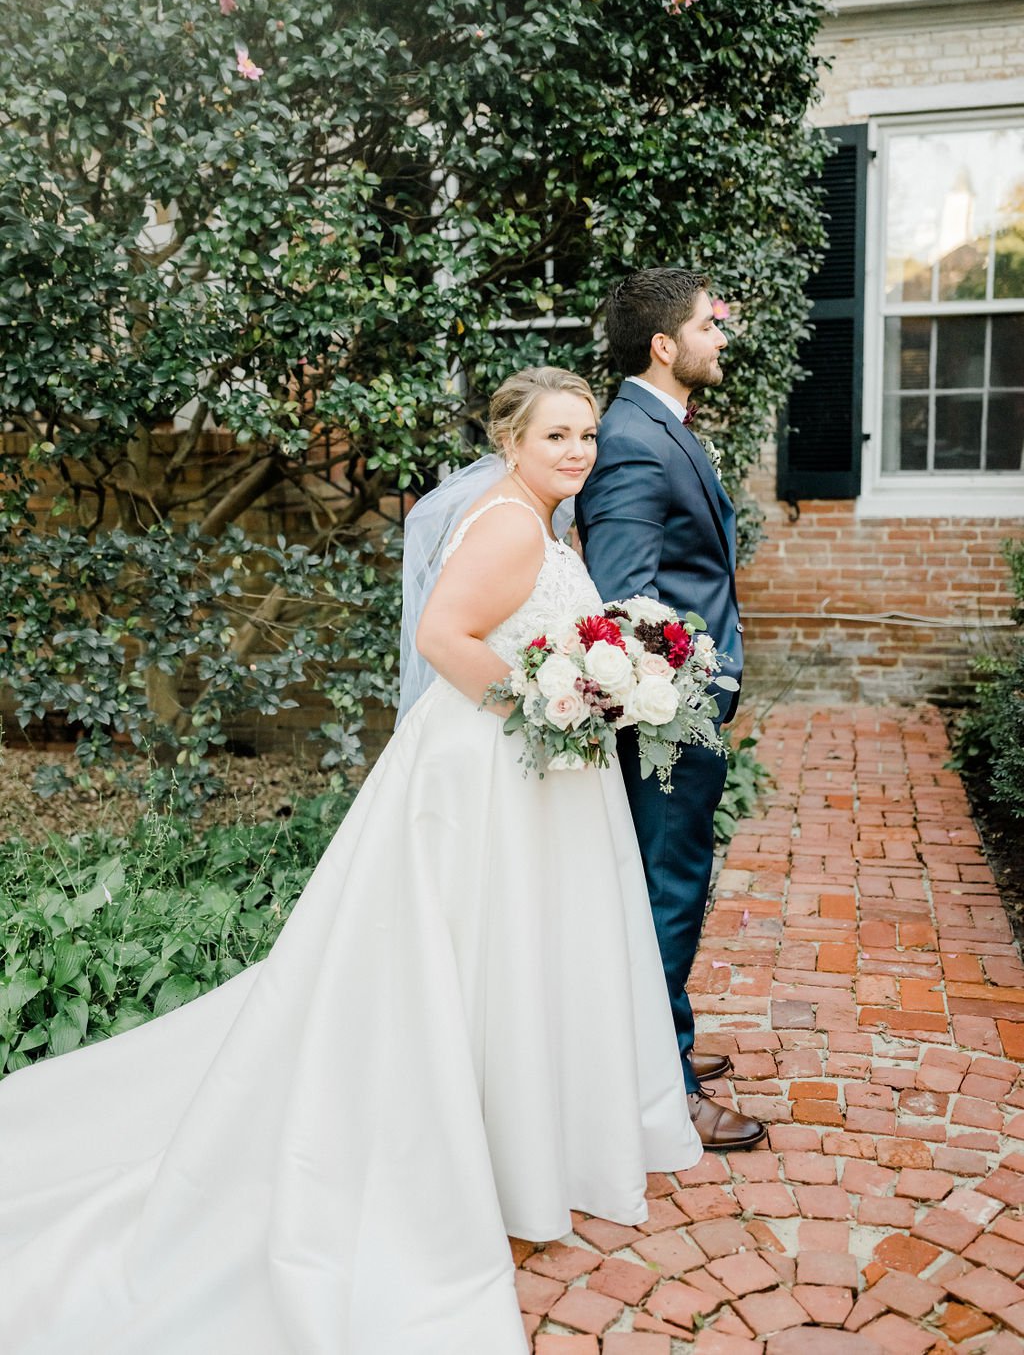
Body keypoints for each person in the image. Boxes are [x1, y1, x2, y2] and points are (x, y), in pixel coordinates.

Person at [0, 366, 702, 1355]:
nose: (578, 451)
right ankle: (474, 1155)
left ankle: (507, 1139)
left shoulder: (534, 521)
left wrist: (601, 678)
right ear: (511, 443)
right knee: (471, 953)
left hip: (518, 767)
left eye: (586, 434)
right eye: (557, 436)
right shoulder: (508, 525)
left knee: (496, 956)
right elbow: (442, 636)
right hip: (491, 770)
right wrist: (550, 705)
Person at [577, 269, 766, 1150]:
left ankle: (665, 1033)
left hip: (687, 708)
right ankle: (666, 1086)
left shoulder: (662, 425)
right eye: (708, 325)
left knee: (668, 893)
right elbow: (624, 607)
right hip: (666, 727)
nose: (721, 337)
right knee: (667, 894)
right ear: (665, 345)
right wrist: (689, 702)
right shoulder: (633, 441)